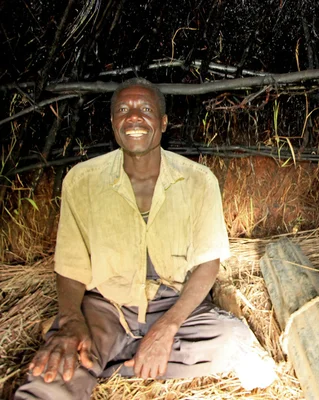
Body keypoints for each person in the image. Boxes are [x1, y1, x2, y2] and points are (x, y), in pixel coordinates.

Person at [15, 78, 275, 400]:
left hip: (173, 304)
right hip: (106, 306)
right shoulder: (82, 181)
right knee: (58, 367)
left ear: (163, 122)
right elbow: (70, 264)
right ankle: (119, 357)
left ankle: (111, 361)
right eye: (123, 109)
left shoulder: (198, 180)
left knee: (233, 341)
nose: (134, 117)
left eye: (146, 109)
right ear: (113, 123)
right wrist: (70, 320)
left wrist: (167, 328)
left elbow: (208, 263)